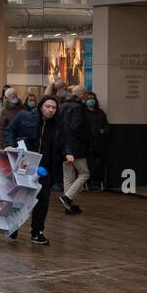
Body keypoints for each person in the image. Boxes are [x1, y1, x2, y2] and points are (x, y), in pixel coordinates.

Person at [6, 95, 60, 244]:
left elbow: (64, 142)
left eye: (53, 108)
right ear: (40, 106)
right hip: (25, 164)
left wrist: (68, 153)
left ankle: (37, 232)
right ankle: (13, 225)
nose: (50, 110)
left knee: (42, 201)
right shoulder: (25, 116)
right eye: (47, 106)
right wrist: (9, 144)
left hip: (45, 169)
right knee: (20, 197)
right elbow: (9, 130)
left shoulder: (58, 125)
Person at [58, 84, 93, 213]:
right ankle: (67, 198)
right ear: (83, 95)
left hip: (63, 146)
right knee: (84, 173)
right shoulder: (78, 108)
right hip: (76, 147)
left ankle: (68, 205)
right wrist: (86, 136)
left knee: (68, 177)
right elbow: (76, 127)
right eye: (86, 95)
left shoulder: (63, 106)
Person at [86, 91, 111, 192]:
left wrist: (104, 130)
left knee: (99, 163)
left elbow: (106, 125)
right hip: (88, 143)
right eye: (88, 99)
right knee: (89, 163)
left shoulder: (100, 113)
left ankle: (98, 182)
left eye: (92, 98)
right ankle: (88, 183)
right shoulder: (83, 113)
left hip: (99, 142)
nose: (90, 101)